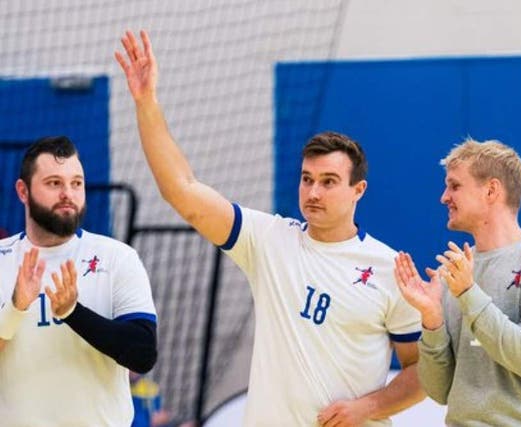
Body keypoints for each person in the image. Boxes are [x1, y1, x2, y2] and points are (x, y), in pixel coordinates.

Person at [115, 30, 426, 426]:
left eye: (328, 181)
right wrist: (146, 103)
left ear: (357, 190)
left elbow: (421, 373)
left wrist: (369, 408)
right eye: (306, 178)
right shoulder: (268, 239)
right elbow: (183, 191)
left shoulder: (389, 268)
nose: (313, 191)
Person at [394, 138, 521, 426]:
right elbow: (439, 391)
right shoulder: (454, 274)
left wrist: (469, 294)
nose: (444, 197)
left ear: (491, 190)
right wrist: (432, 320)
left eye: (455, 186)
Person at [0, 136, 158, 426]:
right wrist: (15, 308)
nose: (67, 194)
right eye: (54, 183)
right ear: (23, 191)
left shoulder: (117, 258)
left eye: (76, 183)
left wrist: (73, 313)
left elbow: (143, 354)